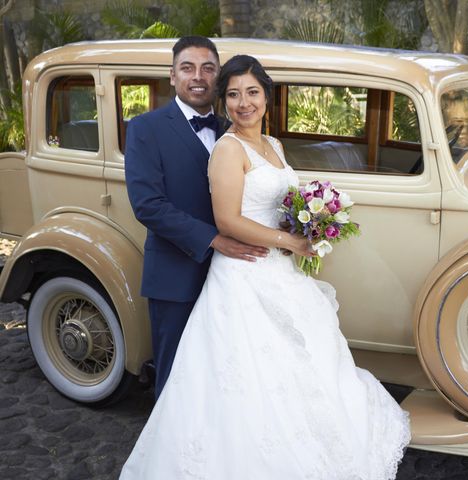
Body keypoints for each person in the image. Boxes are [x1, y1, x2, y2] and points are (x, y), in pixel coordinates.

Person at [120, 55, 410, 479]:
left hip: (277, 271)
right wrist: (288, 240)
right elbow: (221, 219)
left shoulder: (272, 145)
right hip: (237, 271)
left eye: (252, 92)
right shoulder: (223, 146)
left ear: (267, 97)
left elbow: (275, 200)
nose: (243, 102)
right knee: (218, 379)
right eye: (234, 94)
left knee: (294, 368)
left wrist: (310, 221)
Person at [125, 36, 268, 399]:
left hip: (235, 279)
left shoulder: (235, 127)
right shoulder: (146, 128)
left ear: (218, 77)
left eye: (208, 68)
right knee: (176, 372)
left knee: (228, 370)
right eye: (188, 68)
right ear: (172, 76)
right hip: (176, 273)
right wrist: (214, 239)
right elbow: (148, 205)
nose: (198, 77)